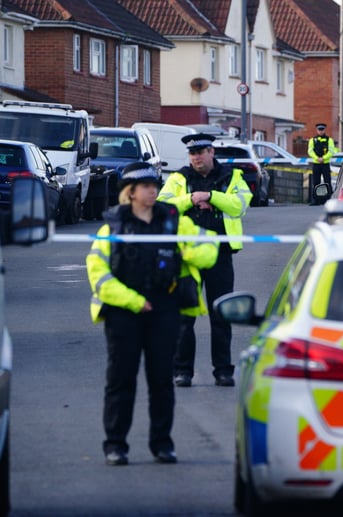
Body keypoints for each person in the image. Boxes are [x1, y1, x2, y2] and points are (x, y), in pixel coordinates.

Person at [86, 162, 218, 466]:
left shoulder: (173, 222)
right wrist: (134, 301)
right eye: (146, 186)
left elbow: (210, 248)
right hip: (124, 313)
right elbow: (98, 275)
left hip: (165, 310)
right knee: (121, 380)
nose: (153, 191)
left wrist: (187, 251)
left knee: (161, 380)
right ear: (130, 192)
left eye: (155, 185)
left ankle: (162, 444)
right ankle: (115, 445)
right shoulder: (113, 227)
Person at [158, 132, 252, 388]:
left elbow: (240, 204)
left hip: (219, 254)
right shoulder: (179, 178)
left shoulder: (231, 176)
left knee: (220, 313)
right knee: (184, 315)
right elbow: (162, 207)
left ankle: (223, 371)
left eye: (201, 152)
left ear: (212, 152)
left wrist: (210, 197)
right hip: (186, 256)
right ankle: (182, 371)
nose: (196, 157)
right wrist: (191, 199)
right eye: (192, 153)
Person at [307, 122, 336, 204]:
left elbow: (331, 151)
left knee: (327, 182)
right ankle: (316, 200)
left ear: (324, 130)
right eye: (319, 130)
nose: (320, 131)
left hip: (325, 164)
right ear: (317, 130)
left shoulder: (329, 140)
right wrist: (317, 158)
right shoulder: (312, 140)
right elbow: (310, 151)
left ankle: (328, 199)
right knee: (316, 182)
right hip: (316, 164)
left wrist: (323, 158)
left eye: (322, 129)